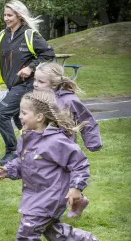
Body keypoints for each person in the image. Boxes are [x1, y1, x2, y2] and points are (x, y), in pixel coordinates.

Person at [0, 90, 110, 241]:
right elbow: (23, 162)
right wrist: (9, 170)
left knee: (28, 231)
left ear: (39, 117)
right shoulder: (27, 137)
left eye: (24, 113)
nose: (20, 116)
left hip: (51, 196)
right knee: (53, 232)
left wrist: (76, 188)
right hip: (35, 196)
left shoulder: (56, 141)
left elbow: (80, 164)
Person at [0, 0, 56, 166]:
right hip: (13, 85)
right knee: (22, 120)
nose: (6, 18)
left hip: (26, 85)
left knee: (1, 113)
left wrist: (31, 68)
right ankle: (36, 150)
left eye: (9, 15)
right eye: (4, 15)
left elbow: (48, 54)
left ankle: (12, 151)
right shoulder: (3, 35)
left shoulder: (30, 35)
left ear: (19, 15)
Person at [34, 61, 103, 218]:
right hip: (45, 147)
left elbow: (86, 119)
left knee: (61, 180)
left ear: (54, 83)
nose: (36, 84)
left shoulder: (69, 100)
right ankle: (78, 201)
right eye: (35, 80)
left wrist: (93, 142)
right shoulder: (37, 98)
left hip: (64, 148)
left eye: (41, 81)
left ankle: (54, 212)